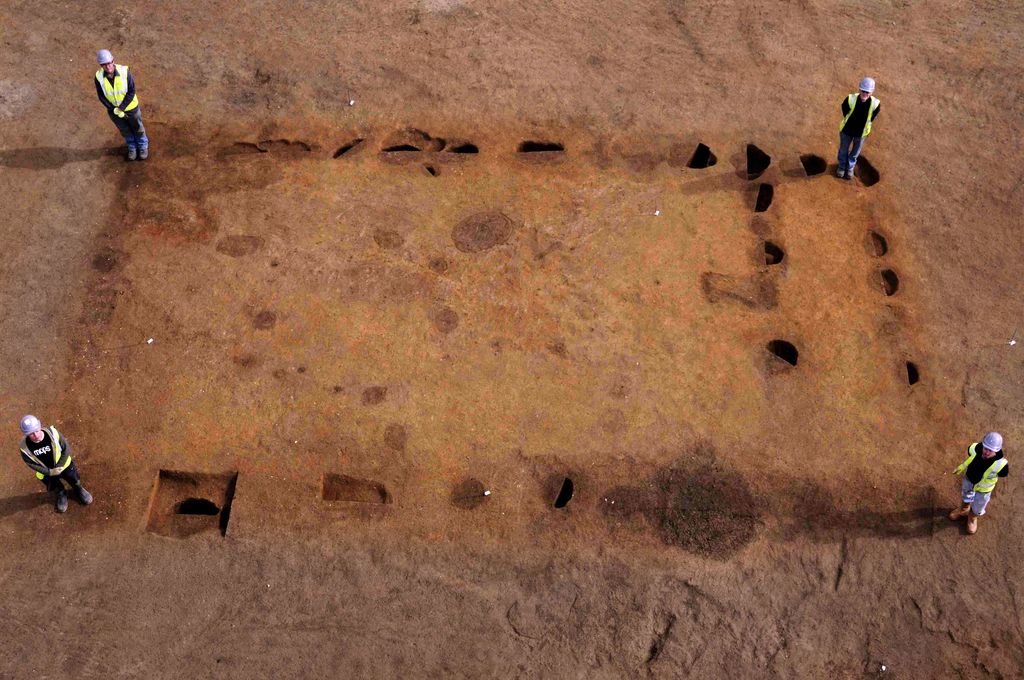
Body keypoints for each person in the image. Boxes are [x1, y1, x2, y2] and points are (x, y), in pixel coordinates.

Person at [17, 415, 93, 514]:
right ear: (26, 434)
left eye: (36, 431)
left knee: (74, 479)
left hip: (65, 466)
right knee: (54, 486)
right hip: (47, 473)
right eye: (31, 434)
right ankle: (62, 494)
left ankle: (78, 489)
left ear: (40, 426)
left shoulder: (53, 433)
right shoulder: (24, 447)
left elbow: (66, 449)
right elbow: (30, 463)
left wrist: (60, 466)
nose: (35, 435)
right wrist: (49, 472)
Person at [948, 431, 1008, 535]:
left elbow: (1003, 474)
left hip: (984, 490)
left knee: (979, 506)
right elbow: (970, 453)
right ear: (982, 444)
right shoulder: (974, 448)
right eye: (986, 448)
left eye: (991, 450)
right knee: (965, 496)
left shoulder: (1001, 465)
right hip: (969, 481)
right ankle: (963, 509)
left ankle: (972, 518)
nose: (987, 452)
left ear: (997, 451)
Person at [94, 49, 149, 161]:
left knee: (137, 128)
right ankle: (132, 147)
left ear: (113, 61)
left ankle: (143, 146)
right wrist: (113, 109)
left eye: (109, 63)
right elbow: (101, 96)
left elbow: (131, 91)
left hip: (131, 108)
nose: (108, 66)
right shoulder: (98, 77)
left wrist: (121, 108)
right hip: (114, 111)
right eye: (104, 64)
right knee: (125, 130)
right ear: (101, 65)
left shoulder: (125, 72)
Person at [837, 77, 880, 180]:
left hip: (861, 134)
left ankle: (850, 168)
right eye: (863, 91)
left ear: (871, 92)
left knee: (855, 153)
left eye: (867, 92)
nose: (865, 94)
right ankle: (842, 167)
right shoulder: (850, 99)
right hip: (847, 131)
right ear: (859, 89)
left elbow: (872, 117)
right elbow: (844, 109)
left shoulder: (875, 104)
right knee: (843, 150)